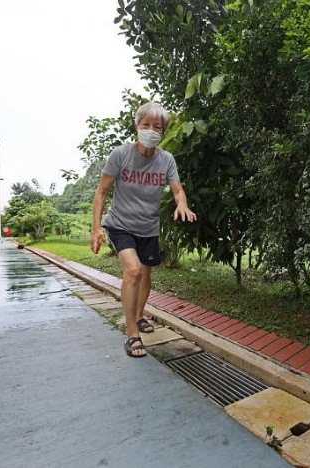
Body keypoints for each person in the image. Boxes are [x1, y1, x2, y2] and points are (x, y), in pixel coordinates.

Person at [91, 102, 197, 358]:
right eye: (145, 125)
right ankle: (131, 334)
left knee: (146, 277)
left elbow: (177, 188)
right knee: (133, 271)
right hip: (120, 225)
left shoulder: (166, 160)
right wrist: (96, 228)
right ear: (137, 127)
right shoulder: (120, 155)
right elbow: (102, 191)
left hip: (148, 228)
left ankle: (138, 316)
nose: (150, 130)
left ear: (163, 132)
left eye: (157, 127)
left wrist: (181, 203)